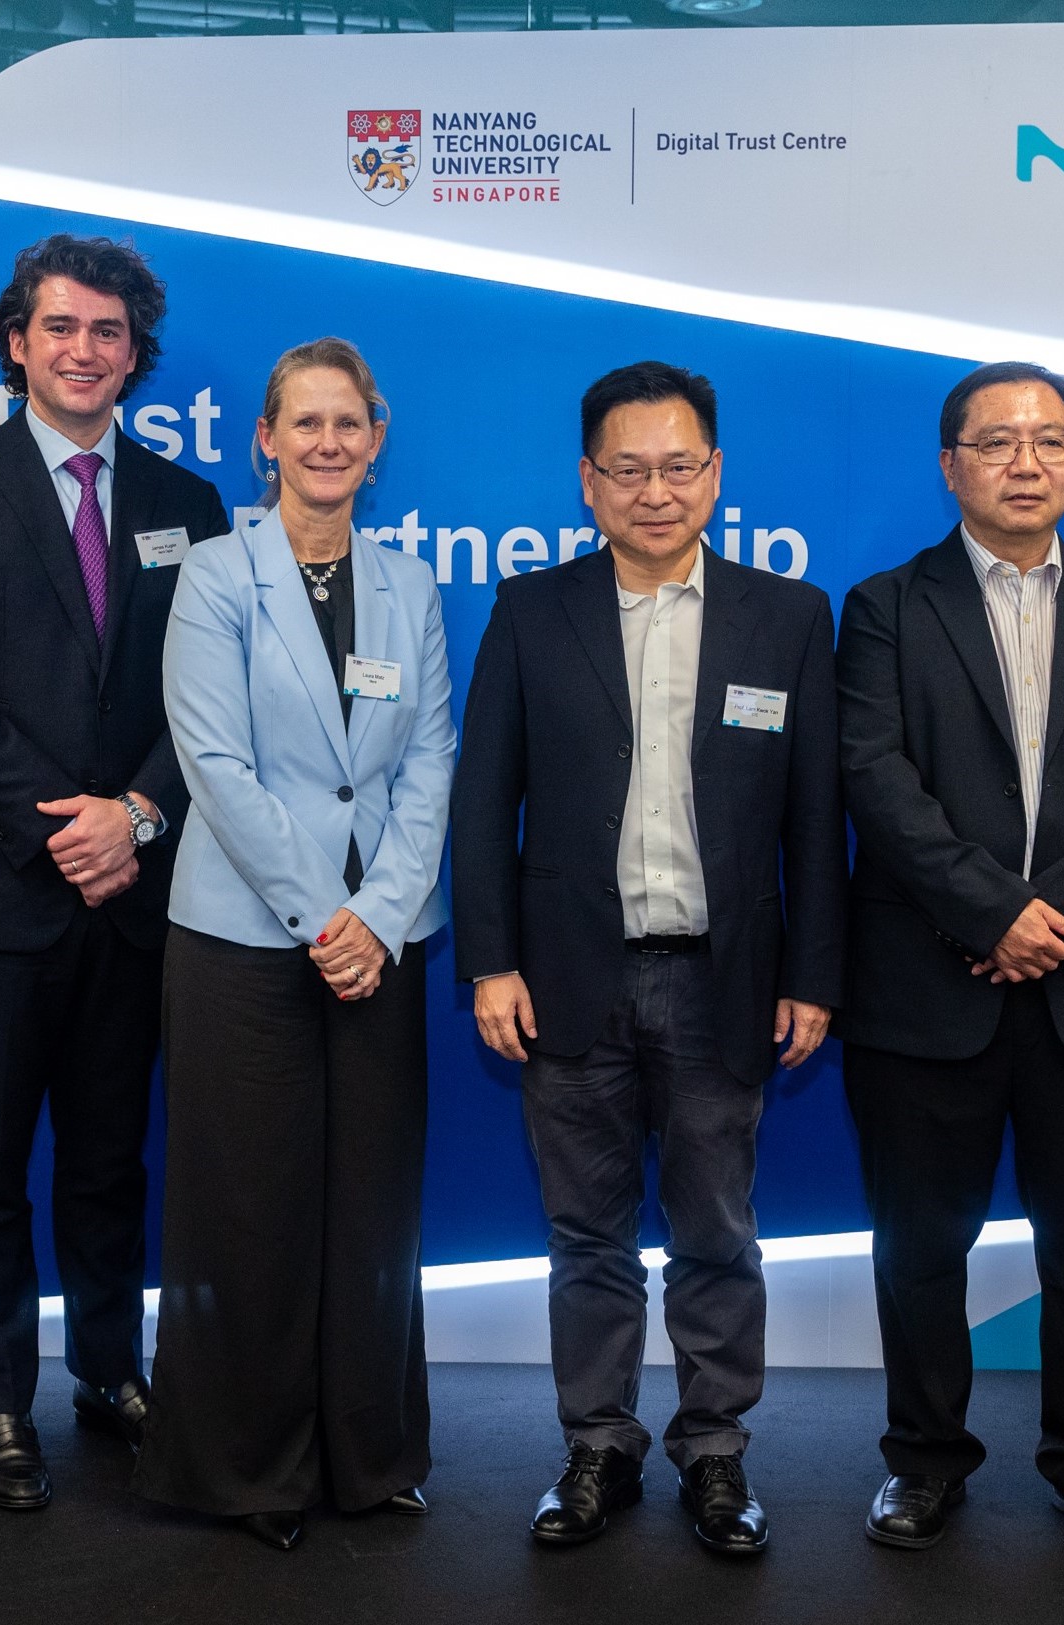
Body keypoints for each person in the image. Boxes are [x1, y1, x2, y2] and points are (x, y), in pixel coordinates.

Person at [452, 361, 846, 1558]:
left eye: (680, 467)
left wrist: (813, 972)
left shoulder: (789, 616)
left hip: (724, 978)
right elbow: (483, 804)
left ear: (716, 473)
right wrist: (490, 962)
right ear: (588, 482)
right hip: (570, 975)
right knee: (588, 1235)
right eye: (628, 470)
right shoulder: (533, 609)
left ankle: (716, 1453)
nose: (656, 491)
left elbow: (815, 819)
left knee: (719, 1229)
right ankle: (598, 1444)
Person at [0, 234, 229, 1511]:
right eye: (60, 328)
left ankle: (107, 1370)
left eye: (108, 332)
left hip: (137, 894)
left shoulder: (187, 506)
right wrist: (62, 827)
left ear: (136, 355)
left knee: (105, 1160)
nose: (84, 351)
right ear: (17, 342)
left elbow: (210, 700)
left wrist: (133, 813)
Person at [837, 362, 1064, 1566]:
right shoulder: (886, 607)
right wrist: (993, 912)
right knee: (921, 1250)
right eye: (997, 441)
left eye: (1050, 440)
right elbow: (876, 778)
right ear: (952, 464)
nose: (1026, 461)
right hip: (927, 987)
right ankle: (925, 1463)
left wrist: (1058, 918)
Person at [133, 339, 454, 1553]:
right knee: (250, 1210)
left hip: (381, 938)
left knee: (372, 1210)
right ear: (263, 439)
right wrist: (326, 915)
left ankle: (371, 1457)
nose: (328, 443)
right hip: (246, 937)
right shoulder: (217, 574)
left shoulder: (411, 586)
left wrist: (377, 919)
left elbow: (431, 764)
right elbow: (214, 763)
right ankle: (251, 1468)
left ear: (376, 442)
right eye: (303, 423)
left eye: (349, 423)